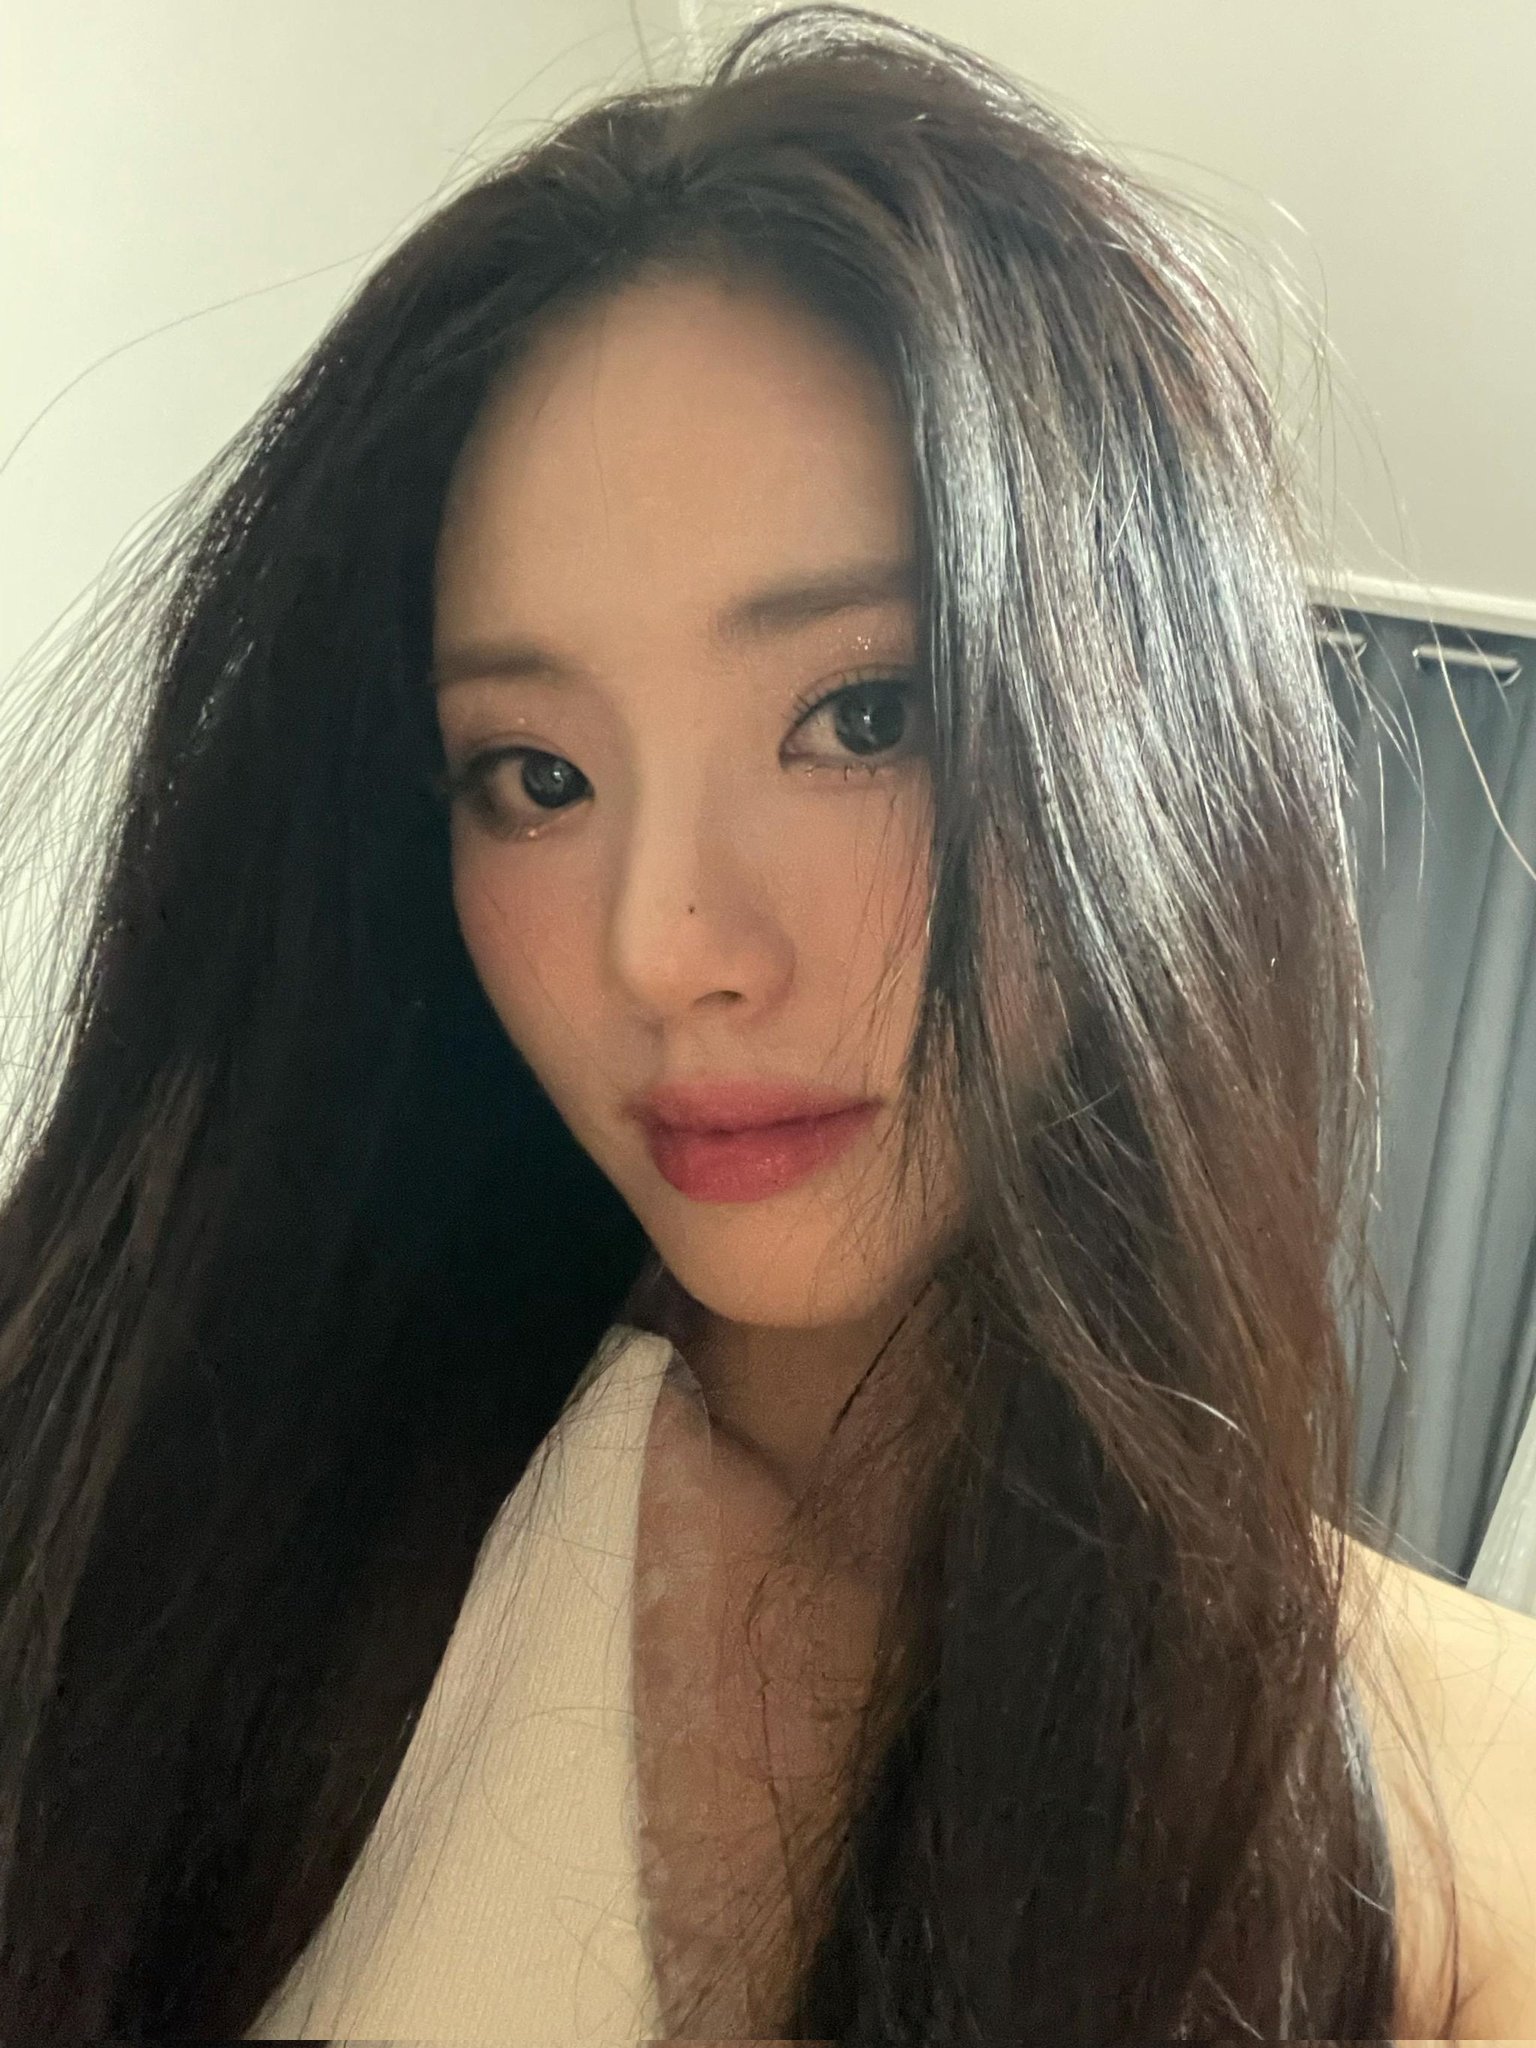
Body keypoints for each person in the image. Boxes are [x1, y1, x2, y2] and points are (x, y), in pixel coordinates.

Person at [0, 5, 1532, 2039]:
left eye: (862, 716)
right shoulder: (167, 1494)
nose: (665, 947)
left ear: (1164, 744)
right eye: (536, 775)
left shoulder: (1451, 1806)